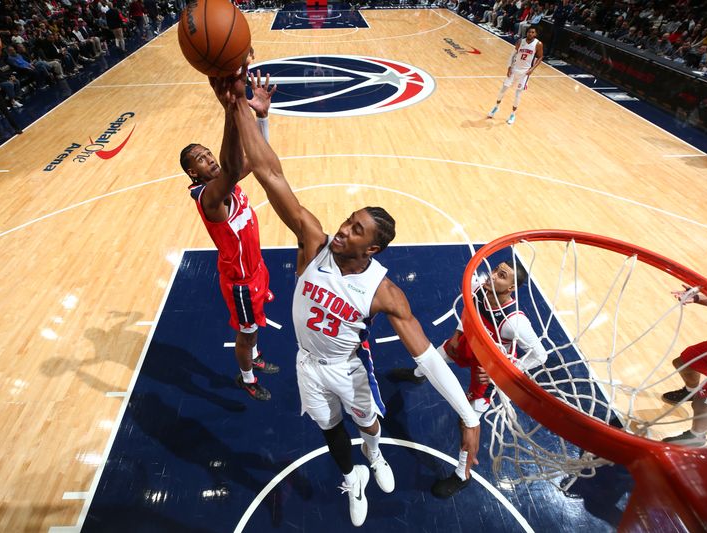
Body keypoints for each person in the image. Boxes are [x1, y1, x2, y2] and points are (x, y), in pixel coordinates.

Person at [216, 70, 482, 527]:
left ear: (373, 248)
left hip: (349, 368)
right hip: (306, 364)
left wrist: (468, 417)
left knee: (366, 425)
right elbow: (268, 173)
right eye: (347, 220)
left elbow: (430, 359)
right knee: (328, 428)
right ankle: (353, 475)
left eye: (356, 230)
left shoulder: (383, 292)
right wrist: (245, 109)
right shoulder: (313, 242)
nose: (342, 230)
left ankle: (375, 456)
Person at [390, 260, 548, 492]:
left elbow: (540, 355)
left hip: (488, 367)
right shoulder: (479, 287)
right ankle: (416, 375)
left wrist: (499, 373)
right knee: (433, 358)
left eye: (501, 276)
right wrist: (457, 333)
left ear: (511, 288)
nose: (493, 276)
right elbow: (469, 311)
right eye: (495, 270)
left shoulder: (515, 322)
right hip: (468, 343)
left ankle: (462, 475)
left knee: (469, 422)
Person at [179, 69, 280, 401]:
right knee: (245, 334)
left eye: (209, 154)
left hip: (256, 268)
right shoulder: (209, 196)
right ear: (193, 173)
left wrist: (261, 117)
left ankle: (254, 355)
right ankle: (246, 377)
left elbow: (259, 160)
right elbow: (235, 165)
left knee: (253, 331)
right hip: (240, 282)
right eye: (203, 160)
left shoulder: (226, 181)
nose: (210, 161)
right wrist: (231, 110)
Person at [661, 285, 707, 447]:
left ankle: (696, 437)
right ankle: (690, 391)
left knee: (702, 403)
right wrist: (697, 298)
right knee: (683, 362)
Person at [487, 26, 543, 125]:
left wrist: (532, 69)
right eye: (529, 32)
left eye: (533, 32)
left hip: (525, 73)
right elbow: (513, 55)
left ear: (535, 34)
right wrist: (509, 67)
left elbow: (540, 57)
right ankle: (496, 107)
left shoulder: (538, 44)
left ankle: (513, 114)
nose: (530, 34)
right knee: (503, 89)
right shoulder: (520, 42)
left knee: (517, 94)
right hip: (514, 69)